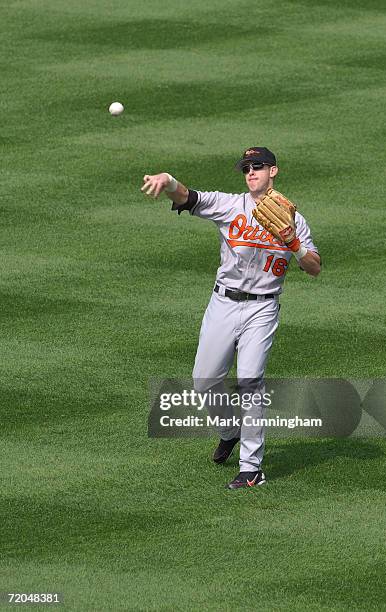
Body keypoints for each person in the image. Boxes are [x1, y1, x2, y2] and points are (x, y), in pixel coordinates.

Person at [141, 147, 321, 489]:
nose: (250, 172)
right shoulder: (229, 205)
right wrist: (167, 181)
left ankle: (251, 469)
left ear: (274, 171)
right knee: (204, 380)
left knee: (251, 382)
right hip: (223, 304)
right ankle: (230, 431)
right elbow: (188, 196)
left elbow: (314, 267)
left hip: (262, 308)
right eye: (246, 168)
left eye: (258, 166)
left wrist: (294, 243)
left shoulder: (294, 219)